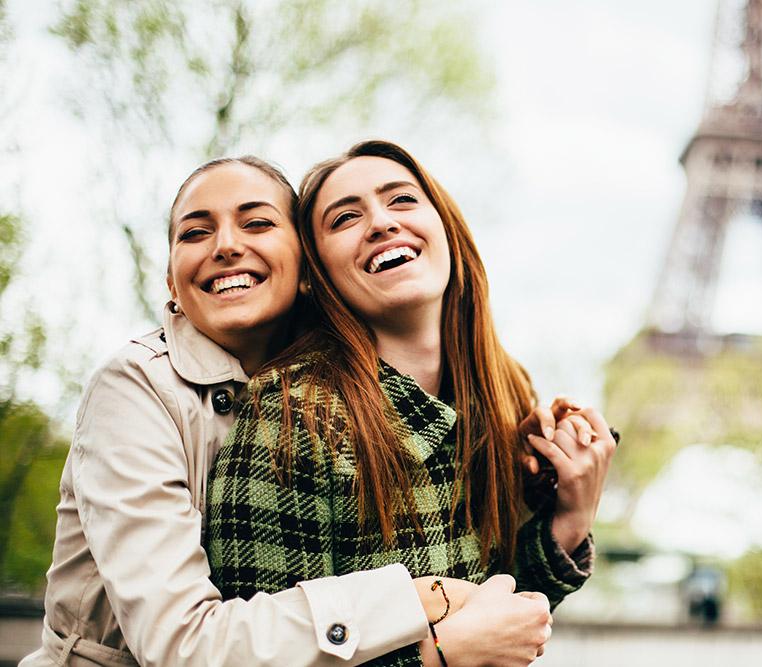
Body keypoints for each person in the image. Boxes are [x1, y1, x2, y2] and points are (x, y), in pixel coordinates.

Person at [22, 156, 553, 667]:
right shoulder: (137, 388)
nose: (226, 246)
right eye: (194, 232)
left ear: (306, 273)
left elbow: (498, 621)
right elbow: (183, 645)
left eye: (255, 222)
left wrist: (565, 522)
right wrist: (423, 607)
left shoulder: (359, 396)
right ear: (171, 284)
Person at [205, 140, 617, 666]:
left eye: (401, 200)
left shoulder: (503, 395)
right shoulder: (291, 412)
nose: (380, 222)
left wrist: (571, 516)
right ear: (317, 274)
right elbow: (256, 658)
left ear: (446, 229)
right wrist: (435, 657)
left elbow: (505, 622)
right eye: (345, 218)